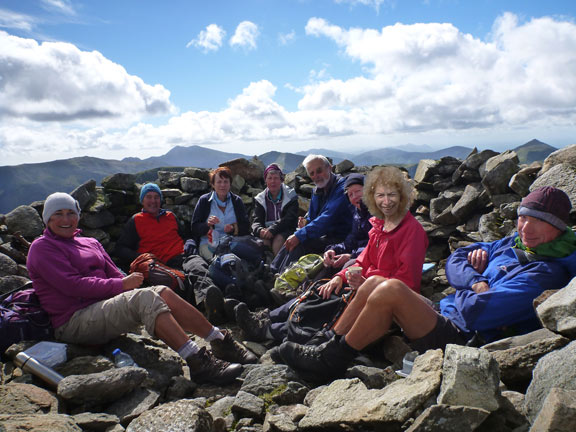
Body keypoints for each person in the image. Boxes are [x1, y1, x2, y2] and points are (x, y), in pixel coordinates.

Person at [277, 186, 576, 383]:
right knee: (377, 281)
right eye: (523, 218)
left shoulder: (546, 273)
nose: (526, 228)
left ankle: (330, 361)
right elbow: (455, 260)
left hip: (465, 337)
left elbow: (476, 313)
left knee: (391, 288)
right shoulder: (511, 243)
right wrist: (475, 281)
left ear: (558, 228)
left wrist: (469, 290)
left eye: (538, 221)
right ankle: (326, 344)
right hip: (444, 313)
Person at [28, 193, 256, 386]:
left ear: (78, 216)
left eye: (71, 213)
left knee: (161, 291)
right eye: (58, 214)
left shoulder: (90, 243)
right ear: (47, 218)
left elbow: (114, 273)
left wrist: (126, 282)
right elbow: (72, 286)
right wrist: (122, 286)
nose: (66, 219)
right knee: (146, 297)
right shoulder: (42, 248)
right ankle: (197, 361)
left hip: (101, 308)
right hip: (74, 320)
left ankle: (219, 340)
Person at [235, 173, 372, 343]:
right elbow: (352, 241)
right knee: (318, 282)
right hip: (351, 264)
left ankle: (267, 326)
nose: (354, 197)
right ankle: (270, 305)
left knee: (321, 293)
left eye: (358, 191)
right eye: (350, 194)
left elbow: (369, 249)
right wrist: (334, 250)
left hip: (360, 275)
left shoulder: (377, 218)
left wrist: (349, 258)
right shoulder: (359, 214)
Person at [114, 183, 223, 320]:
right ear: (142, 200)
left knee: (199, 268)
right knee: (180, 281)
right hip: (160, 264)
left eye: (156, 197)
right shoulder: (136, 221)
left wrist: (189, 242)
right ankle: (209, 308)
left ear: (161, 200)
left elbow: (185, 235)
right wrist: (141, 257)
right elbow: (120, 249)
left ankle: (211, 303)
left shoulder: (170, 216)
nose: (153, 201)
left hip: (183, 256)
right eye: (149, 197)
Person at [271, 155, 354, 274]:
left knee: (300, 241)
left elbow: (327, 218)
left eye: (319, 171)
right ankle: (273, 271)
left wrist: (300, 235)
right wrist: (306, 223)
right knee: (293, 238)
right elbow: (313, 218)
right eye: (312, 173)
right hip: (326, 236)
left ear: (329, 168)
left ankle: (282, 277)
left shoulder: (342, 189)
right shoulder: (317, 190)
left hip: (342, 238)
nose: (316, 176)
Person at [191, 167, 251, 261]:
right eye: (219, 182)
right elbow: (194, 227)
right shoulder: (204, 201)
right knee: (219, 262)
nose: (222, 185)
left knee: (238, 260)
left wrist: (232, 228)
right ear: (213, 184)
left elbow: (246, 226)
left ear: (230, 184)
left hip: (232, 244)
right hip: (209, 244)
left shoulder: (236, 201)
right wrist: (207, 225)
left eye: (226, 182)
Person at [252, 164, 299, 256]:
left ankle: (277, 267)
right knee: (263, 241)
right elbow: (256, 220)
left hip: (286, 229)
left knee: (278, 240)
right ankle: (267, 267)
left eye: (276, 178)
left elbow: (290, 218)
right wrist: (260, 230)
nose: (273, 181)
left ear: (281, 180)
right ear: (265, 180)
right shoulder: (260, 199)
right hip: (268, 231)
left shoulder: (290, 195)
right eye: (270, 178)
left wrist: (273, 229)